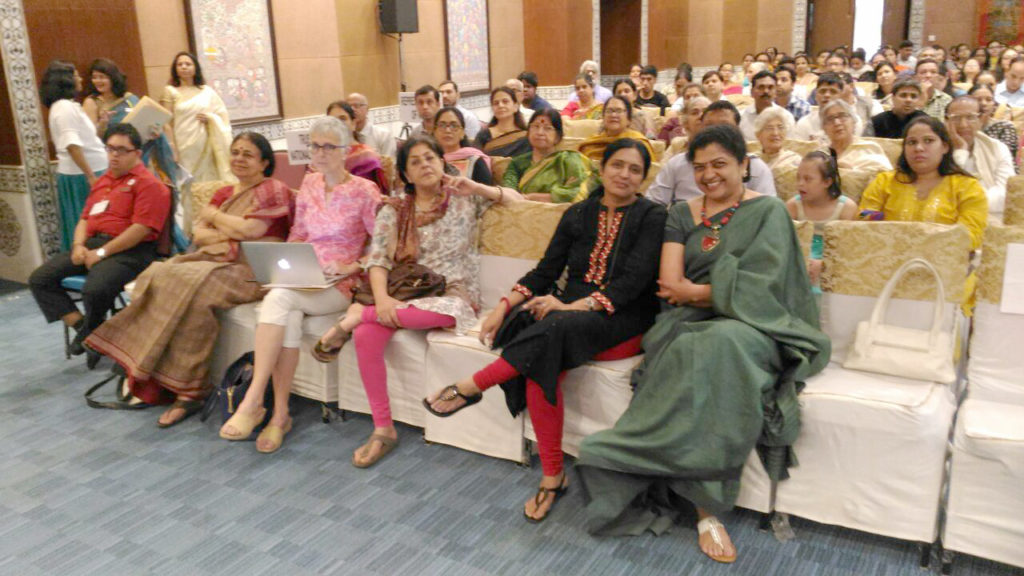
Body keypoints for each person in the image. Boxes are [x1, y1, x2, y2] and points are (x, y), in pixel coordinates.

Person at [576, 124, 829, 564]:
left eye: (719, 164)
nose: (708, 175)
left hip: (753, 324)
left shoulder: (768, 211)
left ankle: (704, 507)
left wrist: (700, 292)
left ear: (743, 165)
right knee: (694, 347)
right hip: (684, 323)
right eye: (699, 167)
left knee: (720, 345)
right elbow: (670, 285)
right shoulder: (680, 215)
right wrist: (704, 293)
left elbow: (768, 287)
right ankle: (664, 479)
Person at [424, 138, 667, 523]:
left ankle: (473, 386)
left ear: (643, 178)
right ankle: (553, 477)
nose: (624, 175)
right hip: (566, 320)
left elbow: (632, 284)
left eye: (635, 170)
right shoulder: (578, 214)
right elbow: (545, 272)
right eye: (617, 165)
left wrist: (569, 307)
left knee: (551, 329)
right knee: (539, 350)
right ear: (602, 169)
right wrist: (503, 307)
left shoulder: (653, 216)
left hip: (623, 320)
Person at [310, 135, 519, 468]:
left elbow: (515, 200)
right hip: (406, 291)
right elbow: (378, 260)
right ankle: (383, 428)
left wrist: (479, 187)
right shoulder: (394, 210)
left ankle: (356, 317)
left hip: (452, 291)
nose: (425, 165)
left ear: (442, 162)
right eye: (416, 162)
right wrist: (382, 301)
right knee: (366, 336)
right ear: (406, 174)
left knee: (449, 312)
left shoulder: (464, 198)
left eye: (430, 158)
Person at [85, 132, 293, 427]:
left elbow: (251, 232)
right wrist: (230, 233)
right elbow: (200, 234)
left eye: (248, 154)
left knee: (195, 286)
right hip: (215, 260)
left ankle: (189, 391)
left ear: (265, 163)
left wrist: (217, 220)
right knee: (159, 274)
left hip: (253, 271)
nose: (239, 159)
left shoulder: (273, 189)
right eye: (235, 152)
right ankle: (154, 374)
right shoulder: (224, 193)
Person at [218, 118, 380, 453]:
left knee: (278, 300)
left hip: (342, 282)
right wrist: (287, 261)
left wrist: (351, 265)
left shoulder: (365, 191)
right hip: (304, 276)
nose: (319, 153)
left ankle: (253, 399)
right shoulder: (309, 184)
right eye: (314, 145)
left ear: (346, 151)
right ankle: (279, 415)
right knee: (285, 310)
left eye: (328, 146)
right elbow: (299, 233)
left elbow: (382, 246)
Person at [29, 124, 169, 362]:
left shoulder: (150, 185)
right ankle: (89, 332)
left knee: (95, 289)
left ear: (137, 153)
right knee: (40, 279)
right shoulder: (104, 180)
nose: (114, 155)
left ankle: (90, 336)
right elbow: (85, 219)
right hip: (95, 244)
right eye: (110, 148)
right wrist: (78, 246)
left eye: (122, 150)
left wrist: (103, 252)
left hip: (132, 251)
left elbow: (140, 230)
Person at [859, 116, 988, 249]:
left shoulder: (968, 186)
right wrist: (883, 224)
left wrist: (927, 244)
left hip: (944, 258)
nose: (919, 148)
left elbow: (971, 235)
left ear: (944, 147)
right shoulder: (884, 181)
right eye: (912, 142)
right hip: (889, 255)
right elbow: (863, 217)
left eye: (928, 141)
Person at [646, 100, 777, 206]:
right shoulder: (678, 163)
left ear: (737, 130)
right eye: (709, 126)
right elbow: (654, 203)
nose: (717, 132)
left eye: (724, 126)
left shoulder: (755, 167)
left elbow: (768, 213)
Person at [40, 60, 109, 251]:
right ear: (66, 80)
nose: (80, 79)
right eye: (76, 75)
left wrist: (102, 124)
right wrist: (90, 176)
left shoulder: (69, 105)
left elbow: (87, 139)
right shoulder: (64, 107)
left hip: (88, 171)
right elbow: (72, 145)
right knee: (89, 224)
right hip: (82, 175)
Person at [787, 151, 857, 294]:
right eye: (798, 178)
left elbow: (848, 250)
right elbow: (785, 243)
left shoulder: (846, 208)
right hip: (799, 261)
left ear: (827, 182)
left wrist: (825, 263)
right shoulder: (793, 206)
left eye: (808, 179)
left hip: (832, 263)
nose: (800, 184)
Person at [161, 51, 233, 184]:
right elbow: (166, 122)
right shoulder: (170, 91)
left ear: (196, 68)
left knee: (208, 181)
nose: (184, 67)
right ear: (175, 69)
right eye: (180, 64)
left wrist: (210, 118)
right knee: (187, 183)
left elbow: (222, 116)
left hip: (205, 143)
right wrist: (172, 147)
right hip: (182, 145)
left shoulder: (207, 91)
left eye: (188, 64)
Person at [502, 109, 592, 203]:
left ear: (558, 136)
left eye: (547, 128)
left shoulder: (569, 159)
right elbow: (508, 191)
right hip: (522, 209)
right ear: (528, 132)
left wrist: (532, 197)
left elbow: (576, 192)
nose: (540, 132)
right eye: (536, 126)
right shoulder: (517, 163)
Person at [945, 96, 1015, 216]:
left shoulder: (996, 148)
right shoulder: (938, 149)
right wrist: (961, 152)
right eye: (956, 118)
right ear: (946, 121)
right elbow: (945, 194)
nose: (963, 125)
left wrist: (965, 202)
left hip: (992, 219)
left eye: (970, 117)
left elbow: (1006, 194)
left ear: (980, 120)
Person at [326, 101, 389, 192]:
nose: (338, 124)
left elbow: (374, 193)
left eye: (343, 119)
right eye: (333, 121)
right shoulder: (323, 155)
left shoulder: (366, 156)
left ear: (353, 123)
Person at [577, 96, 654, 164]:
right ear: (603, 117)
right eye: (609, 111)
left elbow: (651, 172)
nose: (613, 115)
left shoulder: (639, 143)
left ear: (629, 119)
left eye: (619, 111)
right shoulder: (591, 144)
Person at [820, 100, 892, 172]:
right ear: (824, 128)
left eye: (842, 116)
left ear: (853, 122)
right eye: (830, 119)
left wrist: (850, 171)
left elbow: (887, 175)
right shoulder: (821, 155)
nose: (837, 123)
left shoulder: (869, 149)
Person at [433, 106, 494, 185]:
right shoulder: (429, 161)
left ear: (462, 133)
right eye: (442, 125)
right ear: (435, 132)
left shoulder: (475, 161)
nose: (447, 130)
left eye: (454, 126)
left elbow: (486, 190)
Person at [82, 59, 138, 138]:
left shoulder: (130, 98)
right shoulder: (91, 102)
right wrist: (102, 123)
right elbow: (91, 137)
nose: (97, 81)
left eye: (102, 77)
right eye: (94, 77)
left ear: (113, 78)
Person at [969, 83, 1020, 170]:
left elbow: (1005, 156)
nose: (984, 103)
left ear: (994, 104)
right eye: (978, 99)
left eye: (989, 100)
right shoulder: (961, 127)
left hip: (1001, 170)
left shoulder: (1004, 127)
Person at [475, 87, 531, 157]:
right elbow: (476, 159)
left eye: (505, 101)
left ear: (516, 107)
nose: (500, 105)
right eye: (496, 103)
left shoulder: (525, 136)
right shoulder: (484, 135)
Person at [739, 70, 795, 141]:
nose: (766, 91)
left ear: (776, 92)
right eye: (761, 87)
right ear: (752, 92)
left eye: (770, 87)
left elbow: (790, 145)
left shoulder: (786, 117)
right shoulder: (741, 117)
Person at [792, 72, 846, 142]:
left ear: (841, 96)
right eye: (822, 91)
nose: (827, 95)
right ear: (816, 95)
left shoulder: (853, 123)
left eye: (833, 91)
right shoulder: (804, 124)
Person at [347, 93, 397, 158]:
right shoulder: (343, 137)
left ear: (367, 109)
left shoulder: (384, 135)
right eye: (349, 107)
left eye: (356, 106)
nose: (352, 110)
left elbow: (390, 162)